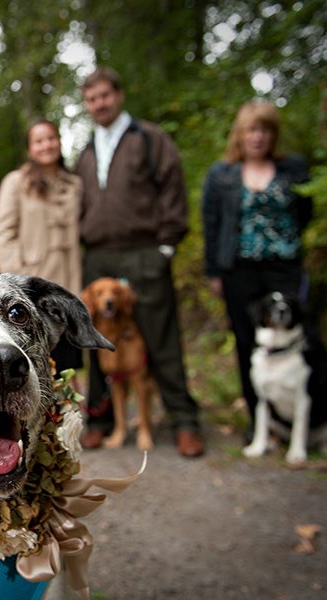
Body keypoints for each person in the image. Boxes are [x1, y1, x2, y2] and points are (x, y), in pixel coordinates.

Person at [201, 100, 327, 443]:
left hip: (284, 267)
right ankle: (260, 423)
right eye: (252, 130)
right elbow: (212, 224)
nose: (258, 137)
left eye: (265, 130)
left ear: (273, 135)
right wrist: (214, 272)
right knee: (247, 343)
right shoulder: (222, 174)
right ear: (240, 134)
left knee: (307, 339)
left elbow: (305, 210)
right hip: (238, 269)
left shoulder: (292, 169)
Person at [73, 67, 205, 458]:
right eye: (91, 99)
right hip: (99, 255)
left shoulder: (148, 139)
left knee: (160, 336)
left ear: (118, 95)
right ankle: (99, 420)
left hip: (144, 251)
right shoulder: (86, 151)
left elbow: (172, 189)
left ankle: (184, 421)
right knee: (97, 340)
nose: (99, 104)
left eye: (104, 95)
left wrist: (166, 246)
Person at [0, 119, 84, 371]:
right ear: (30, 149)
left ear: (59, 142)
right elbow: (4, 234)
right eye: (39, 141)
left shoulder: (74, 185)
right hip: (33, 286)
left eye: (51, 138)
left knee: (68, 367)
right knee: (38, 363)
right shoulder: (15, 182)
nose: (46, 145)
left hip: (68, 285)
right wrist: (19, 284)